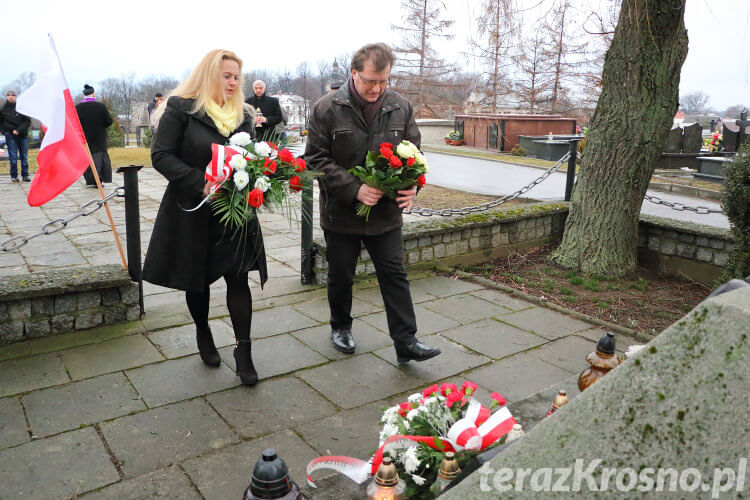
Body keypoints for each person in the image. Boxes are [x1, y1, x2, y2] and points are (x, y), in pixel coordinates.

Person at [305, 43, 440, 363]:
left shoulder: (400, 106)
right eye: (370, 81)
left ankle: (406, 340)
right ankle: (340, 327)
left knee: (394, 275)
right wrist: (355, 189)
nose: (377, 89)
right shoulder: (327, 108)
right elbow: (315, 159)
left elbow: (414, 154)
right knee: (341, 276)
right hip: (341, 213)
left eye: (383, 82)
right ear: (354, 73)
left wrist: (413, 187)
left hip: (386, 214)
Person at [143, 49, 267, 386]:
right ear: (208, 75)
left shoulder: (243, 113)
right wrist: (201, 182)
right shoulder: (181, 108)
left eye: (236, 77)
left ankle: (244, 351)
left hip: (234, 211)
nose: (231, 82)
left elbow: (251, 156)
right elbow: (161, 155)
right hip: (193, 210)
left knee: (239, 278)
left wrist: (260, 178)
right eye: (225, 76)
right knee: (196, 279)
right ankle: (203, 330)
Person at [76, 84, 114, 187]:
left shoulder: (78, 107)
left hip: (85, 138)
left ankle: (89, 180)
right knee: (99, 159)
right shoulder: (101, 106)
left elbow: (75, 123)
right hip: (99, 138)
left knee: (87, 158)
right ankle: (98, 180)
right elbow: (109, 121)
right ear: (93, 95)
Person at [0, 89, 32, 182]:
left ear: (16, 96)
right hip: (10, 135)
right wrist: (7, 131)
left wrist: (18, 130)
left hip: (22, 135)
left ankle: (25, 175)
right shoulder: (3, 108)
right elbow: (1, 123)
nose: (10, 96)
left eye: (13, 95)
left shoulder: (22, 108)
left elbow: (27, 122)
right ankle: (14, 176)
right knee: (13, 156)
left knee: (24, 156)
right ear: (6, 96)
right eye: (8, 95)